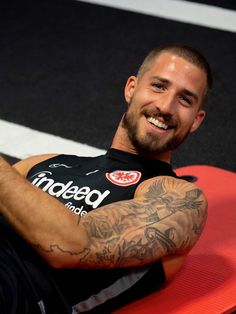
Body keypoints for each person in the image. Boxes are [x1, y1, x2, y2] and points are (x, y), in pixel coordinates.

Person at [0, 43, 212, 313]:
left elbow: (70, 246)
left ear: (196, 120)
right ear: (131, 88)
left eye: (185, 100)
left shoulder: (179, 200)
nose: (166, 106)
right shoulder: (44, 162)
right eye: (159, 86)